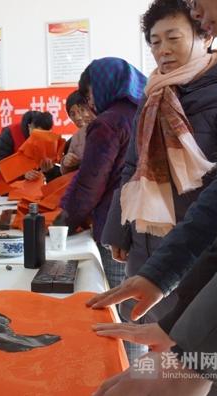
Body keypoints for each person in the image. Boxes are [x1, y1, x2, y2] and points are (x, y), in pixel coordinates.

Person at [92, 0, 217, 393]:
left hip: (201, 244)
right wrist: (120, 232)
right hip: (155, 243)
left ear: (203, 37)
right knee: (150, 340)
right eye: (155, 42)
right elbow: (132, 167)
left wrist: (188, 362)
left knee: (196, 367)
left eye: (174, 37)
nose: (163, 50)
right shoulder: (153, 95)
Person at [56, 58, 147, 292]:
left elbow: (91, 182)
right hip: (152, 219)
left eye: (88, 96)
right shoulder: (146, 111)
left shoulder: (109, 122)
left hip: (116, 222)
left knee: (118, 299)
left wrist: (64, 222)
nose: (90, 104)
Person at [60, 90, 95, 174]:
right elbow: (66, 174)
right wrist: (66, 163)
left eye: (82, 110)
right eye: (73, 114)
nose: (78, 117)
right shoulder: (74, 140)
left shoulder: (109, 129)